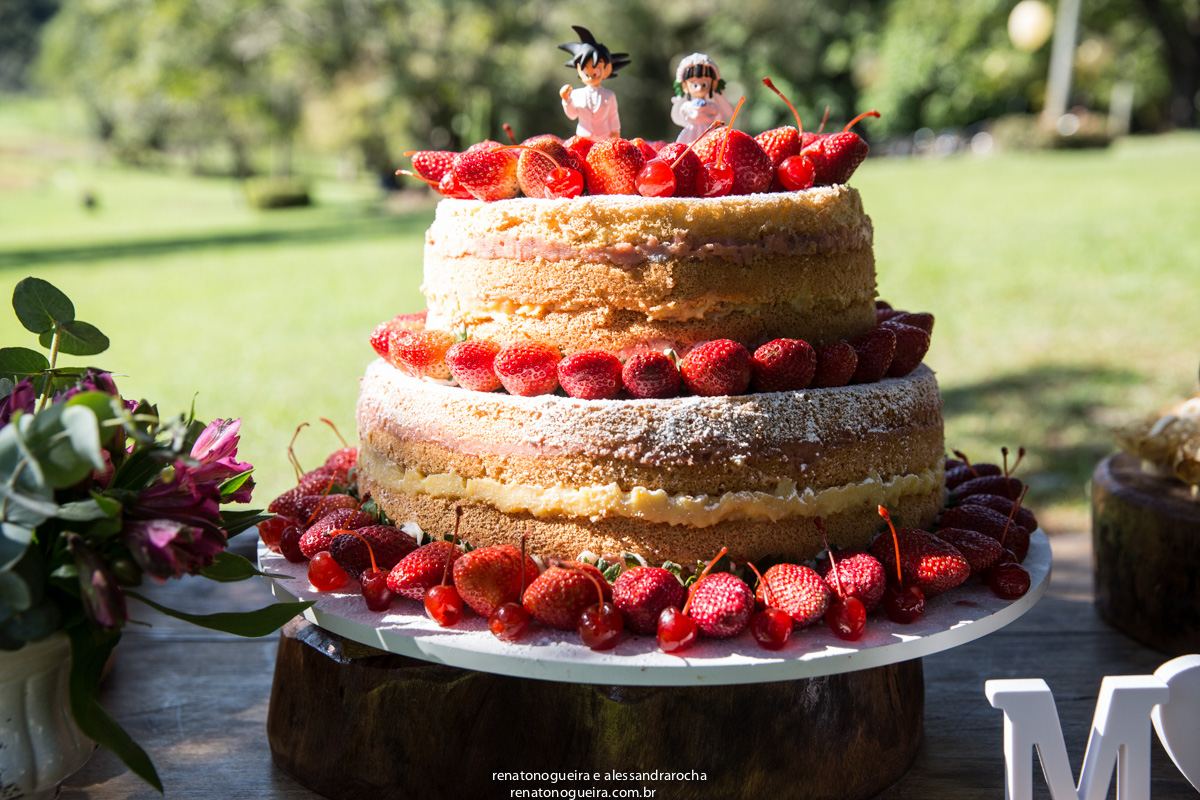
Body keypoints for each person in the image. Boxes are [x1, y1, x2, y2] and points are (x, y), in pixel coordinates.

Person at [557, 26, 631, 139]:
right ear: (578, 69)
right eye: (585, 71)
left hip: (603, 139)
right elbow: (572, 115)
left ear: (606, 70)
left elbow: (613, 117)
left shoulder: (609, 95)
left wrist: (615, 136)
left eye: (596, 71)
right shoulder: (576, 94)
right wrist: (566, 100)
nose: (590, 76)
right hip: (583, 139)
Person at [670, 53, 735, 145]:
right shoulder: (687, 106)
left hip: (708, 130)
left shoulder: (711, 106)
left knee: (710, 148)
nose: (700, 88)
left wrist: (706, 108)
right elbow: (683, 112)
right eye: (695, 85)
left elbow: (714, 111)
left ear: (714, 84)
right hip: (691, 131)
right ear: (684, 86)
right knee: (687, 148)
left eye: (704, 84)